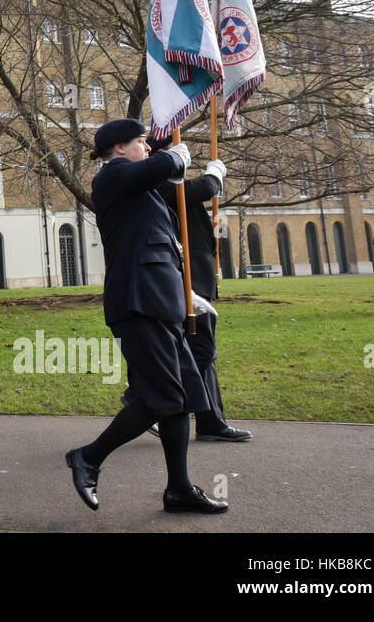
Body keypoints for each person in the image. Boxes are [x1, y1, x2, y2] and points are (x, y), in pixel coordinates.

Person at [63, 119, 227, 515]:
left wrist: (183, 290)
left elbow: (153, 243)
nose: (148, 147)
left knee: (183, 396)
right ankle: (88, 456)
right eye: (141, 142)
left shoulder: (140, 187)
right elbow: (155, 169)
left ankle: (179, 490)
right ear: (119, 148)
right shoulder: (113, 176)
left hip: (161, 300)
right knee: (164, 396)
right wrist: (175, 156)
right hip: (138, 304)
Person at [149, 140, 251, 442]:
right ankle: (148, 401)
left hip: (199, 272)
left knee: (201, 350)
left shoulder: (168, 180)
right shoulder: (159, 182)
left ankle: (210, 420)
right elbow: (199, 190)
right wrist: (214, 176)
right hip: (186, 273)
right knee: (200, 349)